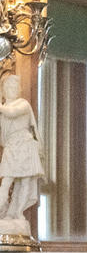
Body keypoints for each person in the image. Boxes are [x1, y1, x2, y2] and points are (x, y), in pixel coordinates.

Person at [0, 74, 44, 223]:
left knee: (25, 180)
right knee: (6, 180)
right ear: (4, 90)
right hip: (11, 147)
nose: (11, 90)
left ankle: (17, 212)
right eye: (8, 87)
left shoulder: (23, 104)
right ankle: (2, 209)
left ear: (19, 89)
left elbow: (12, 113)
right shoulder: (4, 108)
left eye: (14, 87)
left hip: (25, 145)